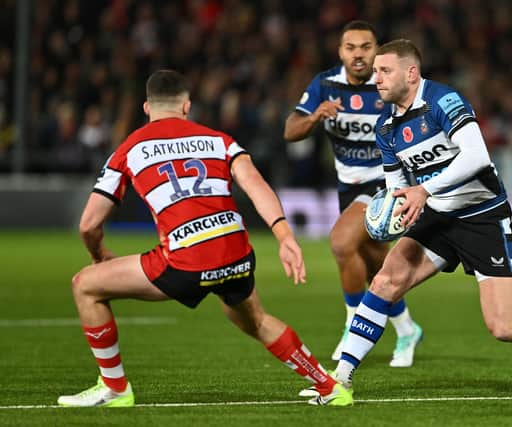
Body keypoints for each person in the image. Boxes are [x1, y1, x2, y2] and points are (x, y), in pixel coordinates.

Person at [57, 70, 353, 407]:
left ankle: (115, 388)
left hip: (185, 260)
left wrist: (99, 255)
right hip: (236, 253)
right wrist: (285, 236)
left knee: (85, 284)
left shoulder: (129, 149)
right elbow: (256, 185)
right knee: (254, 319)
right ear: (186, 106)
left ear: (146, 107)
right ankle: (329, 387)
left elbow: (88, 224)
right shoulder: (219, 140)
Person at [330, 39, 512, 400]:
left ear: (411, 73)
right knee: (385, 281)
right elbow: (398, 185)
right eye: (375, 72)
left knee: (502, 325)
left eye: (385, 71)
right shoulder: (385, 128)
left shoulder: (442, 102)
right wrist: (395, 212)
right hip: (436, 217)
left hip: (482, 216)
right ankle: (340, 380)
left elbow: (477, 157)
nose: (377, 79)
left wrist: (425, 191)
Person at [284, 21, 423, 371]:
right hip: (347, 187)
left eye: (365, 47)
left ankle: (351, 323)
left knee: (341, 243)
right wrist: (316, 115)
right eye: (351, 47)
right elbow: (290, 130)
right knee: (378, 266)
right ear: (340, 51)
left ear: (377, 50)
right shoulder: (325, 85)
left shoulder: (388, 85)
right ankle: (407, 329)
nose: (358, 54)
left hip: (386, 183)